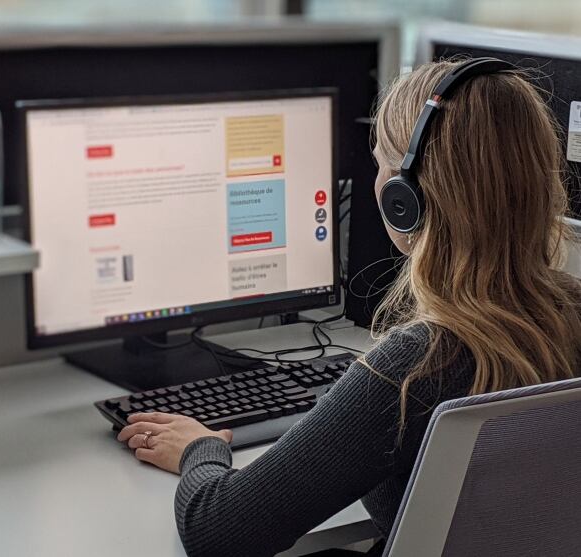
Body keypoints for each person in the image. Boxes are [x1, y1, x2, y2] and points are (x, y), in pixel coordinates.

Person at [116, 59, 581, 557]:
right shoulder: (569, 312)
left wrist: (199, 448)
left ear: (409, 198)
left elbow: (217, 531)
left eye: (381, 161)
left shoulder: (417, 366)